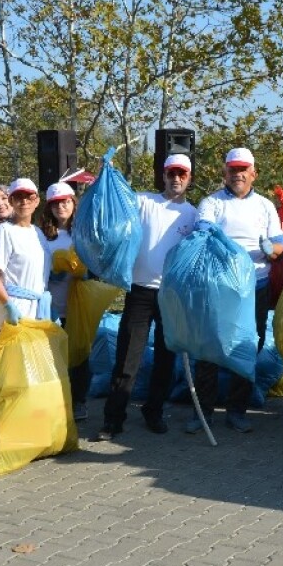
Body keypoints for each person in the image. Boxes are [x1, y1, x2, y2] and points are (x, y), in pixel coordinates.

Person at [97, 154, 198, 442]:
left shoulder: (192, 215)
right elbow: (116, 200)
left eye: (182, 174)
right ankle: (113, 419)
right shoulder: (144, 201)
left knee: (166, 360)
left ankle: (153, 412)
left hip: (171, 295)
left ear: (189, 178)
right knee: (128, 358)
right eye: (171, 173)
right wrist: (108, 173)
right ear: (163, 176)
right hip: (139, 291)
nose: (176, 179)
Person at [192, 147, 283, 433]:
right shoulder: (211, 203)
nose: (238, 174)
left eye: (243, 169)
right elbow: (203, 234)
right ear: (225, 173)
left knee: (247, 347)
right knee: (209, 348)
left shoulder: (266, 206)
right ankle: (203, 413)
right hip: (218, 287)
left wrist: (272, 251)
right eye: (232, 169)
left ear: (253, 173)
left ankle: (236, 410)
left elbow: (280, 246)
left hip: (255, 288)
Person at [41, 182, 93, 421]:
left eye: (66, 202)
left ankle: (79, 401)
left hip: (77, 303)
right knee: (53, 355)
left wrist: (82, 272)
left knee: (80, 354)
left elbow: (96, 264)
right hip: (50, 305)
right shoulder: (42, 234)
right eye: (56, 203)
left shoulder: (83, 233)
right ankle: (56, 401)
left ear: (74, 203)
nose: (61, 207)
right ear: (49, 208)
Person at [0, 178, 50, 335]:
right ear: (12, 201)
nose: (24, 201)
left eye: (29, 197)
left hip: (36, 313)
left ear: (37, 201)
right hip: (13, 314)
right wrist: (8, 305)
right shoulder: (5, 231)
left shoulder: (38, 233)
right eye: (18, 197)